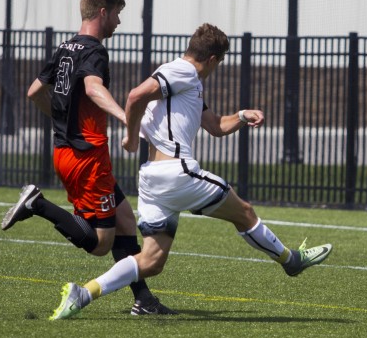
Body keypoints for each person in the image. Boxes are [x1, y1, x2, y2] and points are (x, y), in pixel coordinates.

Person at [48, 23, 332, 320]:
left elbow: (216, 126)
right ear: (212, 59)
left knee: (151, 261)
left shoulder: (189, 82)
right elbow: (135, 96)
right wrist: (132, 138)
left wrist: (243, 116)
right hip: (177, 173)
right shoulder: (183, 71)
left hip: (154, 181)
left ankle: (84, 292)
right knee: (244, 212)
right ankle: (291, 260)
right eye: (218, 63)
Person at [0, 0, 172, 315]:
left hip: (69, 150)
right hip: (87, 157)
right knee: (99, 244)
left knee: (124, 220)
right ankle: (38, 204)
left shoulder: (66, 47)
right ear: (103, 12)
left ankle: (144, 299)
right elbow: (93, 89)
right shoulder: (94, 50)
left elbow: (35, 92)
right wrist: (127, 118)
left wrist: (64, 121)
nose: (119, 21)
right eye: (118, 13)